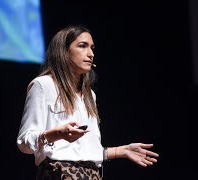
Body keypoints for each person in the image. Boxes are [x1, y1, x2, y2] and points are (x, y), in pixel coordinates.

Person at [16, 24, 159, 180]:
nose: (90, 54)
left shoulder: (89, 95)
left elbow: (86, 150)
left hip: (92, 175)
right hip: (60, 173)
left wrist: (121, 151)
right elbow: (24, 143)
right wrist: (57, 134)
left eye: (92, 48)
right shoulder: (43, 85)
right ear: (63, 51)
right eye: (82, 46)